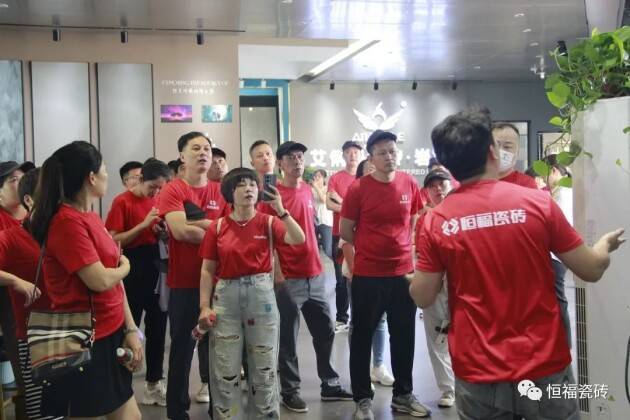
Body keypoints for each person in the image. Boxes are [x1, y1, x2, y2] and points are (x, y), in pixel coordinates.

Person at [410, 110, 625, 419]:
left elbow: (423, 296)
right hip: (544, 363)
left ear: (448, 166)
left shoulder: (438, 220)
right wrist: (604, 245)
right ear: (492, 152)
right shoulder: (537, 203)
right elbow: (591, 268)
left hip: (478, 369)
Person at [29, 141, 143, 419]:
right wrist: (125, 267)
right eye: (104, 169)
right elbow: (100, 280)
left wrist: (130, 328)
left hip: (109, 331)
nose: (107, 175)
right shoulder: (66, 222)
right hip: (87, 341)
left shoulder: (89, 216)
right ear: (91, 177)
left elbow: (112, 283)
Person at [198, 167, 305, 418]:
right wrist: (204, 306)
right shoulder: (218, 227)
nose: (248, 189)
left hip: (261, 296)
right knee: (225, 367)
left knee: (264, 367)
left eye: (253, 185)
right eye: (241, 185)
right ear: (229, 192)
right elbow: (207, 270)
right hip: (226, 297)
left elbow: (298, 238)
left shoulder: (268, 222)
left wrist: (281, 210)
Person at [340, 130, 430, 420]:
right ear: (371, 158)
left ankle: (403, 395)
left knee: (404, 336)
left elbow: (413, 220)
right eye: (382, 153)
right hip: (368, 275)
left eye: (392, 151)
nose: (389, 157)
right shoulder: (358, 189)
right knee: (362, 338)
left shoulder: (408, 182)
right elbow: (346, 231)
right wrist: (369, 249)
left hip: (403, 274)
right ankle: (362, 399)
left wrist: (403, 248)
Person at [259, 141, 352, 413]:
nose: (297, 161)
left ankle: (330, 384)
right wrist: (277, 272)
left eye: (300, 157)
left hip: (315, 274)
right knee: (287, 338)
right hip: (288, 277)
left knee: (325, 330)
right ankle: (290, 391)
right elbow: (267, 236)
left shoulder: (307, 190)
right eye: (291, 157)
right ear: (280, 163)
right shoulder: (271, 196)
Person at [158, 132, 229, 420]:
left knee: (220, 351)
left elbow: (232, 232)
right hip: (185, 284)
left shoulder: (221, 191)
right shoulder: (173, 190)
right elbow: (180, 231)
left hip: (221, 284)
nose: (203, 153)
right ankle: (177, 411)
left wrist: (199, 224)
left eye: (207, 149)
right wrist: (215, 229)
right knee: (182, 350)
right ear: (182, 156)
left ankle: (220, 410)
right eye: (196, 148)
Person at [105, 159, 171, 407]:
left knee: (158, 327)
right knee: (127, 329)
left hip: (155, 265)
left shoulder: (158, 200)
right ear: (141, 178)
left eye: (160, 188)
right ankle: (122, 388)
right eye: (153, 187)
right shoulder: (122, 201)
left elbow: (158, 232)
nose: (156, 192)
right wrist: (143, 225)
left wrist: (161, 232)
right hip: (131, 267)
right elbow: (114, 240)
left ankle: (154, 383)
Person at [0, 167, 62, 420]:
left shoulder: (65, 229)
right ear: (29, 199)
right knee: (42, 408)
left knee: (72, 406)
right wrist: (16, 281)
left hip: (71, 329)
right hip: (35, 333)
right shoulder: (12, 236)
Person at [340, 159, 395, 388]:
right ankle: (360, 373)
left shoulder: (387, 198)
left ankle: (378, 366)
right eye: (369, 170)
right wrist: (356, 271)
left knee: (380, 320)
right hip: (359, 272)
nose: (375, 173)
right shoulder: (356, 198)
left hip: (383, 272)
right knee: (360, 322)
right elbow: (345, 240)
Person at [415, 169, 456, 408]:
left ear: (451, 185)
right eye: (433, 186)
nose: (438, 189)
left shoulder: (464, 212)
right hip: (435, 284)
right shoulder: (425, 219)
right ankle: (448, 389)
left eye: (442, 184)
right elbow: (421, 254)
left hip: (464, 285)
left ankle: (470, 383)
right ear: (426, 192)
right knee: (438, 338)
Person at [0, 159, 34, 417]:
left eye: (22, 178)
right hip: (10, 301)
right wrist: (15, 281)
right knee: (26, 371)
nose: (20, 183)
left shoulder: (33, 213)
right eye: (13, 180)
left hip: (41, 299)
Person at [326, 140, 362, 332]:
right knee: (341, 278)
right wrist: (352, 209)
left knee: (359, 277)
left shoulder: (365, 178)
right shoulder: (336, 178)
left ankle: (359, 317)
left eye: (355, 152)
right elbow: (329, 204)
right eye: (348, 152)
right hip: (339, 234)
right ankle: (341, 318)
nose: (352, 155)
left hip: (361, 236)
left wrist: (342, 203)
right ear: (343, 155)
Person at [543, 153, 574, 348]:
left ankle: (564, 344)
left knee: (558, 301)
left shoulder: (562, 194)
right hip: (559, 255)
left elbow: (557, 227)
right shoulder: (564, 191)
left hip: (556, 255)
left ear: (553, 171)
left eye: (544, 175)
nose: (544, 180)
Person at [492, 122, 538, 189]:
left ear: (517, 152)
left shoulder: (526, 184)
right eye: (495, 145)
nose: (500, 151)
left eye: (507, 147)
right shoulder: (477, 181)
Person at [310, 169, 333, 260]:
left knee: (327, 249)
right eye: (315, 176)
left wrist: (316, 187)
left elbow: (323, 200)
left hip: (325, 222)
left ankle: (335, 265)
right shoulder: (311, 190)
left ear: (324, 178)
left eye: (319, 176)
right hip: (313, 222)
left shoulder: (328, 188)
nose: (316, 178)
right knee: (313, 249)